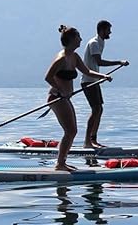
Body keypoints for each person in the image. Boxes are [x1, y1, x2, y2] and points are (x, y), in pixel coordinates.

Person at [45, 25, 112, 172]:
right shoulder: (61, 58)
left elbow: (87, 71)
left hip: (65, 98)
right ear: (71, 40)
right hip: (56, 97)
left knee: (72, 131)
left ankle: (62, 162)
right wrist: (61, 90)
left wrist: (103, 76)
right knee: (70, 131)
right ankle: (60, 164)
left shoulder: (74, 57)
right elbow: (48, 77)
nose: (81, 39)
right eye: (78, 37)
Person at [81, 20, 129, 148]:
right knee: (96, 109)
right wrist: (119, 62)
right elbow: (99, 62)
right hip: (88, 81)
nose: (110, 32)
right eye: (108, 30)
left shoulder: (100, 42)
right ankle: (87, 142)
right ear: (102, 30)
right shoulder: (94, 43)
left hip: (94, 81)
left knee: (99, 109)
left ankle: (93, 139)